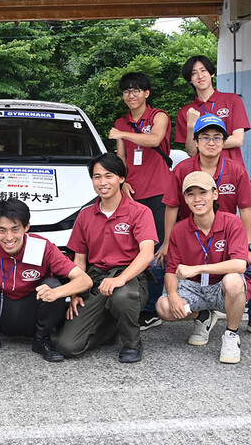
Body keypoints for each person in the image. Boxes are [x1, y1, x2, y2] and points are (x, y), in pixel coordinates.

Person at [160, 114, 251, 342]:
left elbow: (246, 209)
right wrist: (167, 242)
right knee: (159, 266)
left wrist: (247, 247)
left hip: (228, 236)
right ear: (195, 142)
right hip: (191, 235)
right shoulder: (183, 169)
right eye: (205, 137)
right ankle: (160, 312)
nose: (211, 142)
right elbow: (172, 206)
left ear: (224, 142)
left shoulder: (235, 170)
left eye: (217, 137)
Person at [0, 199, 93, 363]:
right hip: (0, 311)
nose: (8, 237)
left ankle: (41, 339)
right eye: (2, 230)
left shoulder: (42, 246)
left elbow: (84, 280)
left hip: (32, 314)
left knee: (52, 284)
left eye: (15, 229)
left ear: (26, 227)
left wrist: (56, 293)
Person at [55, 153, 157, 363]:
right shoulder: (85, 215)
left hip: (130, 279)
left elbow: (147, 253)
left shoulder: (140, 212)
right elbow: (80, 259)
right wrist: (76, 291)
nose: (102, 182)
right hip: (96, 278)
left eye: (108, 176)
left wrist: (120, 279)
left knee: (122, 297)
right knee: (68, 346)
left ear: (121, 178)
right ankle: (111, 328)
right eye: (97, 177)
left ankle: (132, 343)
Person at [156, 171, 251, 364]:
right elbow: (171, 270)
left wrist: (198, 269)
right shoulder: (179, 230)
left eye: (203, 192)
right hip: (194, 289)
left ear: (215, 194)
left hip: (221, 289)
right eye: (190, 194)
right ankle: (202, 316)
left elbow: (240, 264)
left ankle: (231, 336)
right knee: (163, 307)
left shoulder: (231, 222)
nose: (197, 199)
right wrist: (174, 295)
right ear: (184, 198)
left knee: (233, 280)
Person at [107, 72, 172, 331]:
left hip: (158, 194)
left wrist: (123, 133)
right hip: (132, 195)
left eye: (136, 90)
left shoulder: (158, 116)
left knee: (156, 251)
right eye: (126, 91)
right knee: (131, 248)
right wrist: (123, 183)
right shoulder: (120, 122)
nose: (130, 95)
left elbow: (154, 139)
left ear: (146, 93)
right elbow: (121, 158)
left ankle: (152, 307)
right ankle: (133, 300)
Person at [174, 55, 250, 164]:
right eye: (194, 73)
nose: (200, 76)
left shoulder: (233, 100)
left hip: (232, 170)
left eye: (203, 70)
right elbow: (191, 152)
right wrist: (191, 126)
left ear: (212, 73)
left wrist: (203, 142)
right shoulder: (186, 112)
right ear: (190, 79)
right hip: (202, 174)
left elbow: (238, 140)